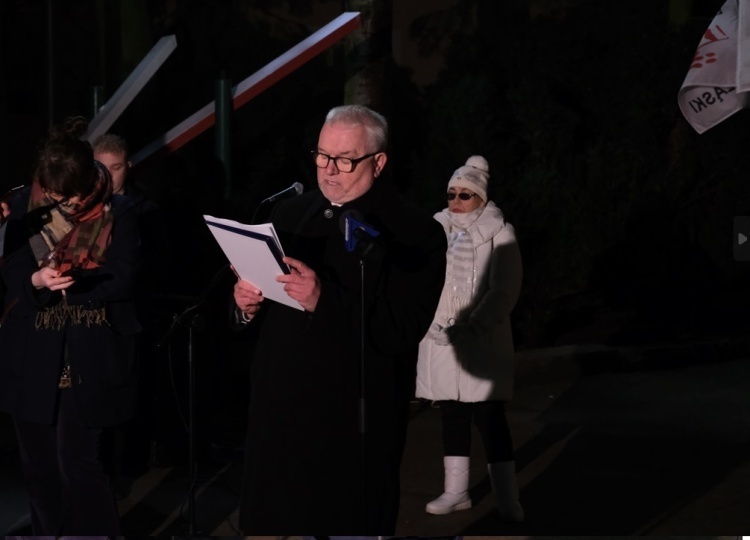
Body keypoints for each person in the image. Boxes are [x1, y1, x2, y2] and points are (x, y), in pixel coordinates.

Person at [231, 104, 447, 533]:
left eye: (345, 160)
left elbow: (401, 328)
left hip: (351, 418)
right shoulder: (288, 214)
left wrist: (323, 300)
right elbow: (262, 312)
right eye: (322, 155)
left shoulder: (414, 231)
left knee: (349, 521)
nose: (329, 169)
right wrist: (245, 305)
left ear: (378, 162)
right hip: (280, 410)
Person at [0, 116, 141, 534]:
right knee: (38, 463)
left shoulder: (120, 211)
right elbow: (13, 266)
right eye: (53, 195)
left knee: (78, 461)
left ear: (87, 182)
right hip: (31, 351)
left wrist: (78, 283)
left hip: (87, 352)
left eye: (69, 196)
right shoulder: (25, 204)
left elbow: (126, 274)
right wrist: (36, 280)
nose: (60, 203)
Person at [415, 155, 524, 521]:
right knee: (452, 415)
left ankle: (507, 497)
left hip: (482, 340)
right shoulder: (436, 231)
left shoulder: (500, 232)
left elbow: (504, 290)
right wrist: (428, 323)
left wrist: (474, 326)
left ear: (481, 197)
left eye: (465, 195)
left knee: (491, 418)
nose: (456, 201)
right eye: (451, 194)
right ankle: (456, 491)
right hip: (441, 339)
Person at [93, 133, 169, 494]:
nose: (108, 176)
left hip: (133, 314)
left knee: (135, 393)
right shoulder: (84, 206)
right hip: (96, 315)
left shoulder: (146, 209)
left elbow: (155, 263)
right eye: (101, 167)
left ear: (129, 166)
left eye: (116, 167)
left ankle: (131, 465)